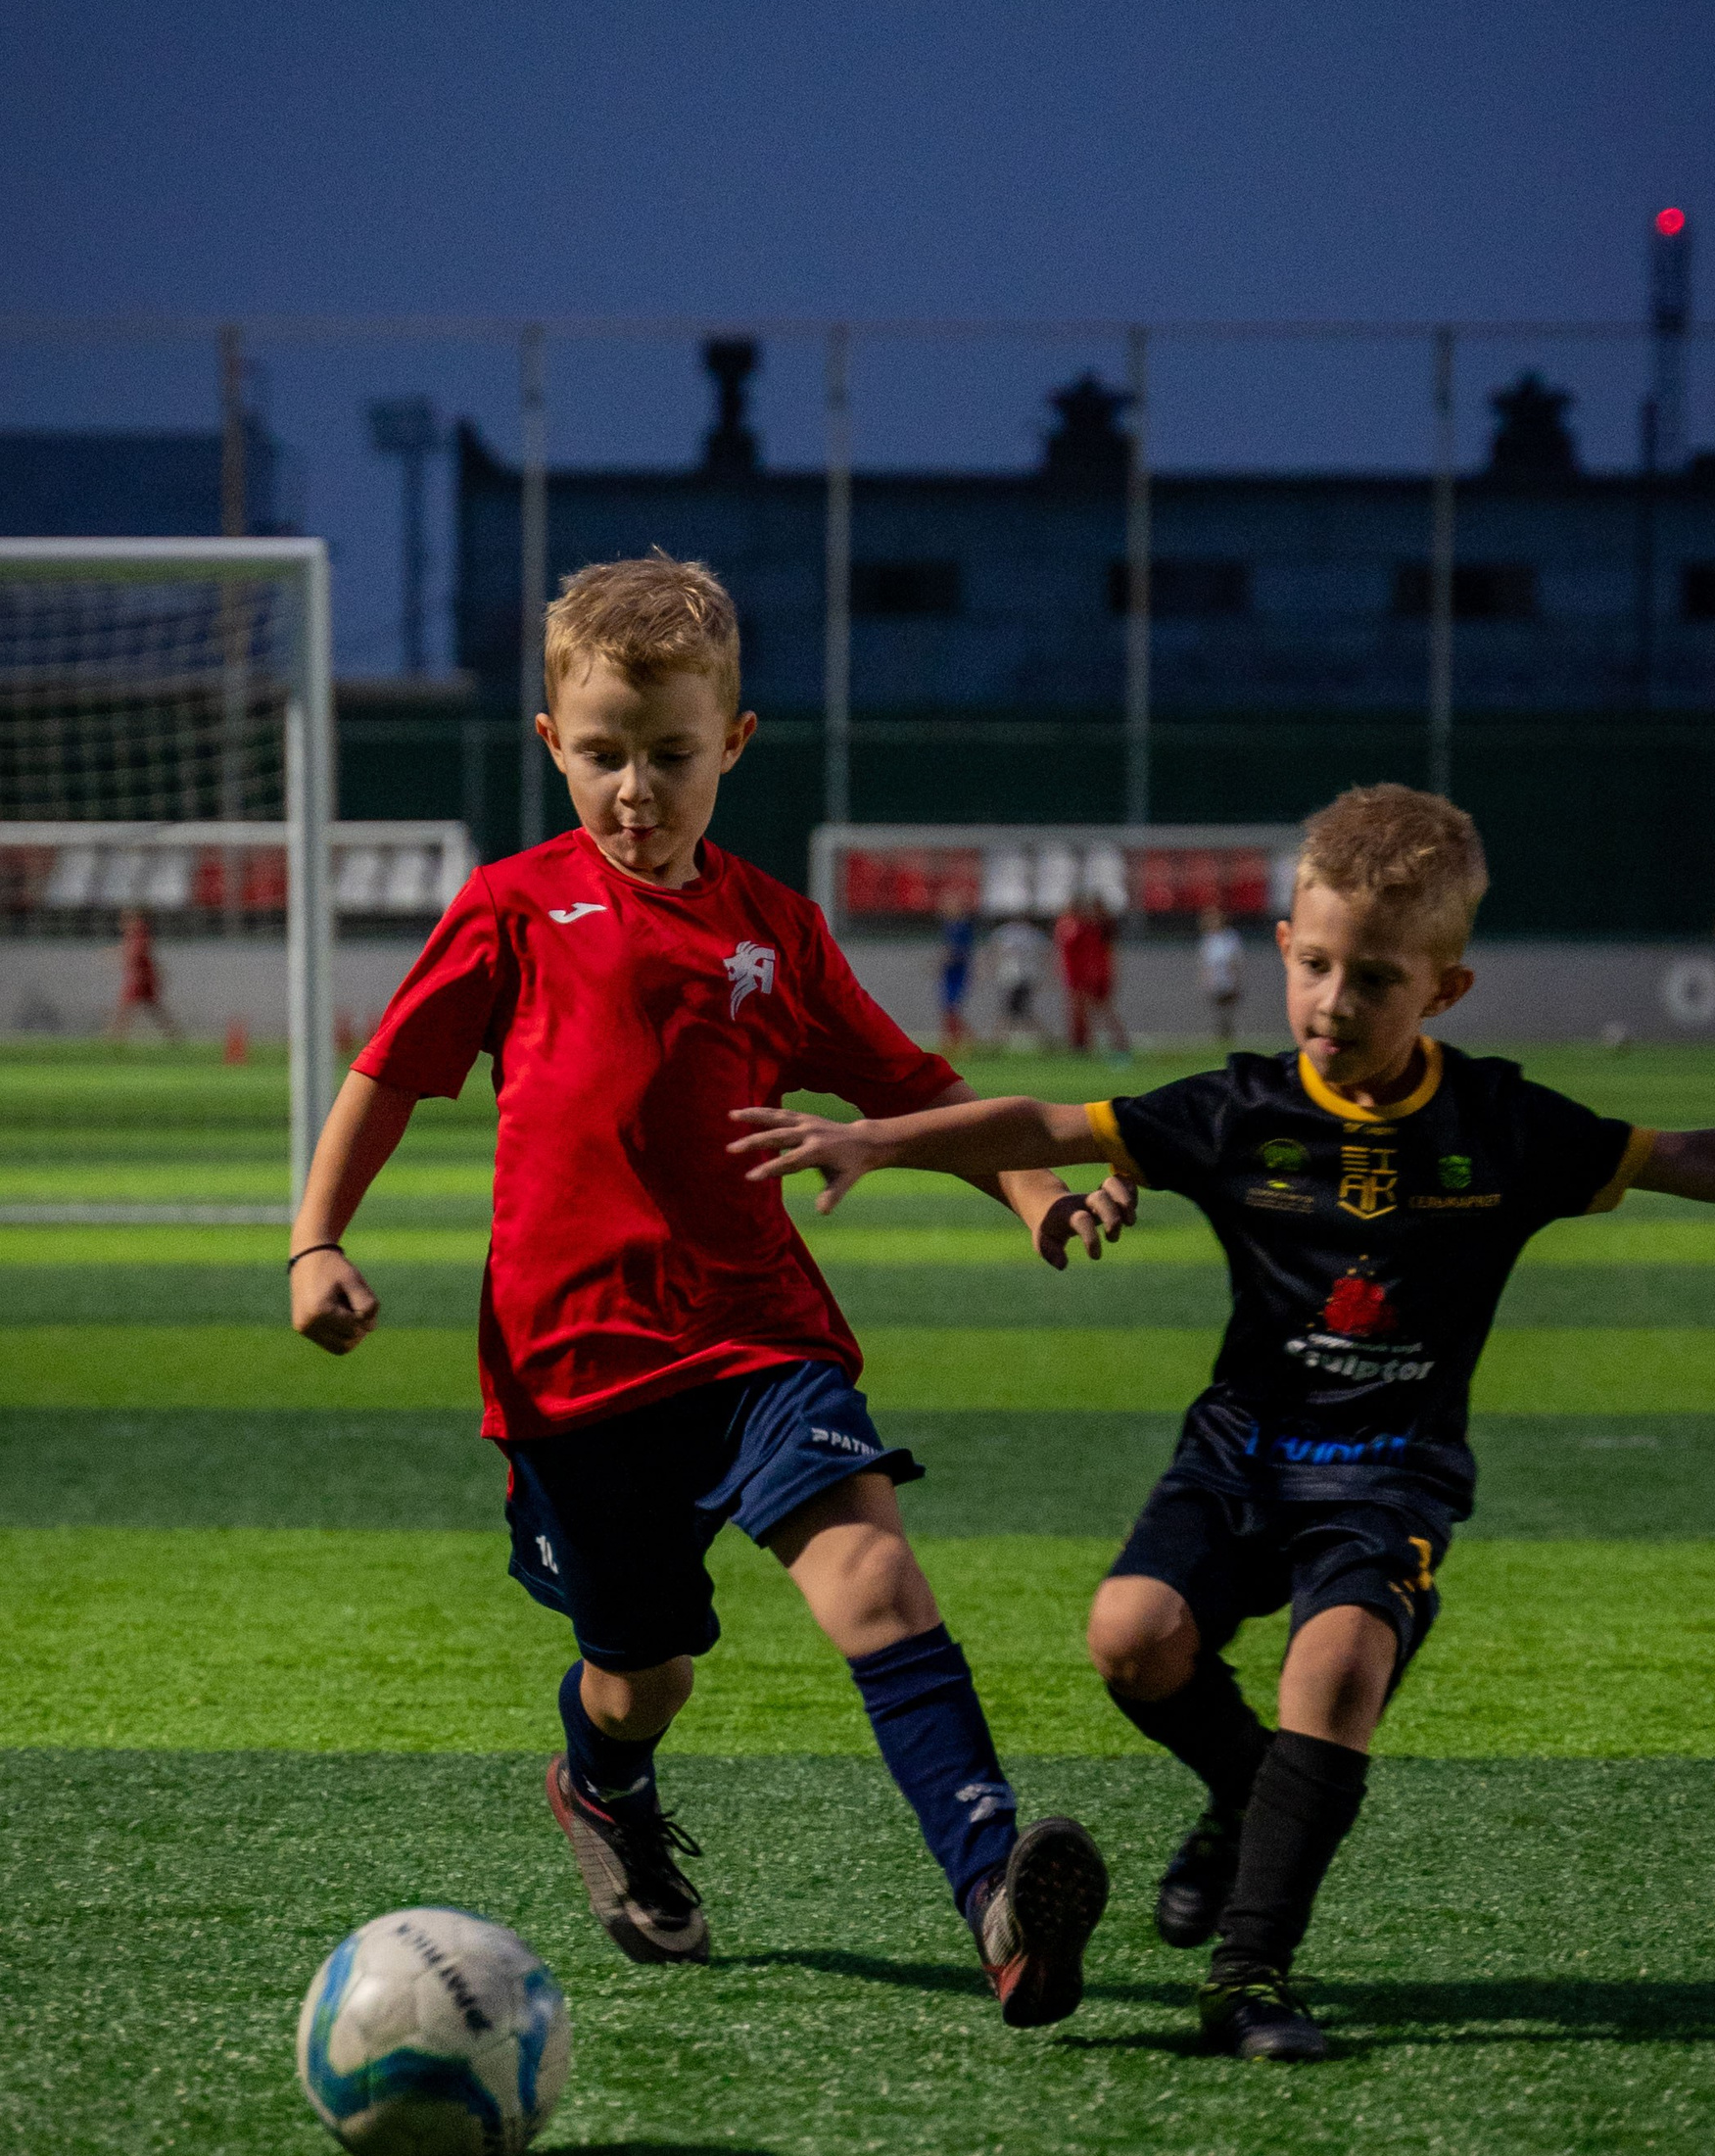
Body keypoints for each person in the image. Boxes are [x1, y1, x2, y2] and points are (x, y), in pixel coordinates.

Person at [734, 782, 1715, 2064]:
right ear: (1286, 946)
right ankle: (1249, 1791)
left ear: (1443, 991)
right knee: (1129, 1637)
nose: (1336, 1004)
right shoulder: (1240, 1109)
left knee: (1335, 1670)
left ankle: (1249, 1978)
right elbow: (1049, 1122)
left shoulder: (1503, 1126)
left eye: (1377, 980)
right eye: (1318, 966)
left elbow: (1694, 1154)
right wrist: (883, 1140)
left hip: (1389, 1473)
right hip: (1238, 1453)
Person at [287, 553, 1126, 2027]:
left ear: (731, 744)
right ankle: (600, 1785)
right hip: (573, 1375)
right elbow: (386, 1076)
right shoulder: (510, 909)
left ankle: (998, 1889)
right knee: (640, 1677)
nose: (634, 790)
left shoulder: (776, 932)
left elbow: (916, 1086)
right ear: (550, 744)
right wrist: (316, 1242)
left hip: (760, 1342)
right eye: (601, 756)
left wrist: (1033, 1190)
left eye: (669, 757)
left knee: (873, 1577)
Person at [1055, 891, 1131, 1056]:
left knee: (1094, 1010)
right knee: (1084, 1011)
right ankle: (1083, 1044)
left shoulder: (1087, 928)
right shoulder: (1080, 926)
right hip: (1078, 974)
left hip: (1085, 975)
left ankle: (1091, 1044)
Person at [107, 907, 180, 1042]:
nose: (121, 922)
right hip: (143, 976)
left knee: (125, 1008)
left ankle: (113, 1038)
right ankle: (174, 1036)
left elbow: (137, 952)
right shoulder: (136, 932)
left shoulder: (139, 931)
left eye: (124, 919)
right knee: (153, 1008)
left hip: (140, 976)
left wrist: (128, 962)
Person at [988, 916, 1048, 1048]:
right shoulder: (1030, 933)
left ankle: (997, 1043)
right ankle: (1046, 1041)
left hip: (1020, 978)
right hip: (1017, 978)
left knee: (1013, 1011)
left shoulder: (1007, 933)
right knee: (1020, 1012)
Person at [934, 888, 977, 1052]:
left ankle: (961, 1041)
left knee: (951, 1008)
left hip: (958, 972)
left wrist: (942, 961)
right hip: (950, 973)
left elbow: (959, 952)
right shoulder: (950, 926)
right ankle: (955, 1042)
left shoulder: (961, 926)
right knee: (948, 1009)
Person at [1198, 904, 1245, 1044]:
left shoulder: (1230, 937)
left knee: (1227, 1004)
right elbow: (1204, 960)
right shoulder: (1208, 939)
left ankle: (1227, 1031)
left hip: (1227, 975)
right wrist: (1205, 977)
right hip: (1214, 977)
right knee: (1217, 1005)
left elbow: (1234, 959)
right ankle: (1221, 1030)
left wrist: (1236, 977)